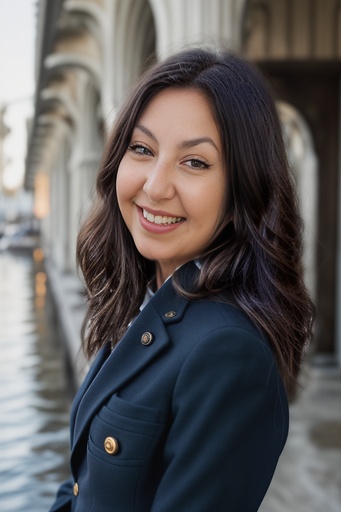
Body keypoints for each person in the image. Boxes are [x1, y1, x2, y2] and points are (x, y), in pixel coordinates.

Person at [49, 46, 314, 512]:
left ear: (242, 193)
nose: (154, 185)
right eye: (142, 149)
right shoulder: (150, 305)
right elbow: (81, 487)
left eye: (195, 162)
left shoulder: (227, 352)